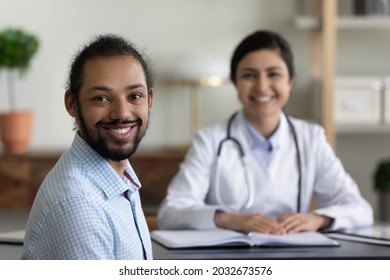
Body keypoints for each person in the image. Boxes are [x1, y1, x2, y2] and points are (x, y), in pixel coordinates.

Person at [157, 30, 373, 235]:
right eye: (249, 75)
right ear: (235, 83)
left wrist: (318, 219)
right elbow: (171, 213)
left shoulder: (311, 138)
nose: (262, 86)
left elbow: (360, 209)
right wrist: (228, 219)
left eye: (273, 74)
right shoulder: (210, 141)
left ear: (290, 81)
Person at [21, 34, 154, 259]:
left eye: (135, 96)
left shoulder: (120, 178)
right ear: (72, 104)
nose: (122, 113)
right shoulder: (79, 204)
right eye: (101, 98)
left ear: (149, 100)